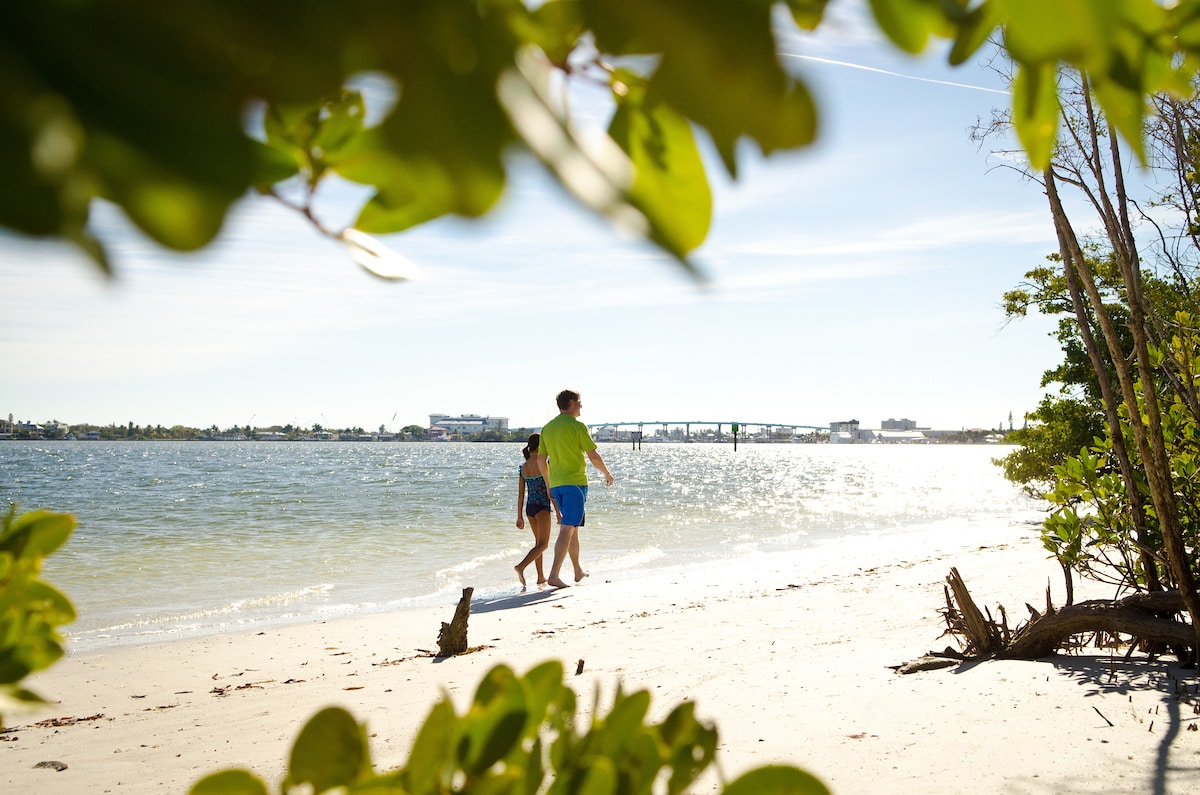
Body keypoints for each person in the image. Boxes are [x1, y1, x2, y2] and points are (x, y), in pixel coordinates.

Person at [537, 389, 614, 588]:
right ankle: (553, 575)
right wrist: (606, 473)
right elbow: (593, 455)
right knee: (566, 529)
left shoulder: (547, 428)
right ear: (571, 403)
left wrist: (548, 484)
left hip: (557, 485)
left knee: (573, 529)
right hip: (575, 485)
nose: (581, 405)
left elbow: (540, 459)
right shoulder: (578, 426)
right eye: (579, 402)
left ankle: (577, 570)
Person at [514, 432, 556, 587]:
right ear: (540, 445)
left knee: (538, 543)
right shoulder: (544, 463)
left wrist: (519, 516)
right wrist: (558, 512)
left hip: (530, 508)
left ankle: (540, 577)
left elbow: (520, 495)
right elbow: (550, 490)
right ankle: (521, 566)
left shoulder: (523, 468)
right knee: (543, 545)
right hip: (543, 507)